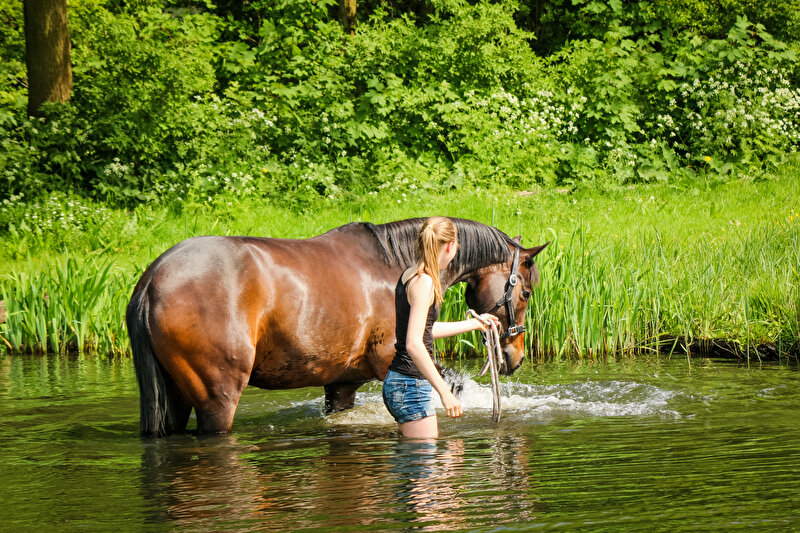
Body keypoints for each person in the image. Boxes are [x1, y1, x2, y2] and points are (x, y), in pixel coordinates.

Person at [382, 216, 499, 439]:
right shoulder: (424, 282)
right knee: (426, 466)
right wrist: (445, 392)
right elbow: (414, 344)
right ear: (449, 246)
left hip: (400, 382)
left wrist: (474, 324)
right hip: (411, 386)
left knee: (423, 465)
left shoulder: (410, 275)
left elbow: (425, 330)